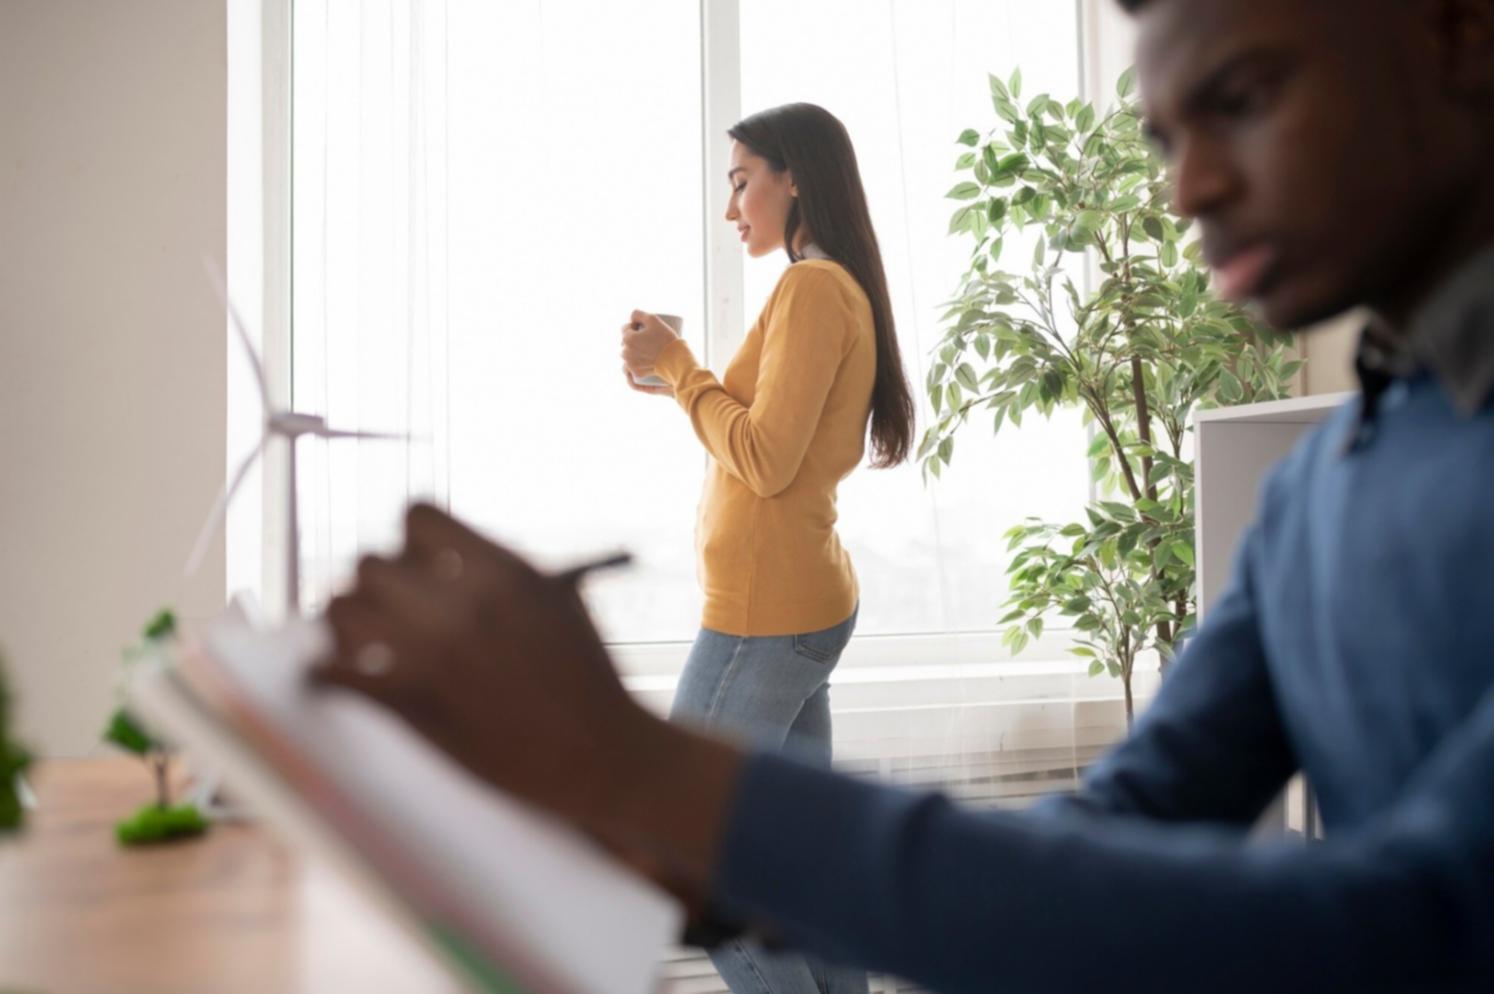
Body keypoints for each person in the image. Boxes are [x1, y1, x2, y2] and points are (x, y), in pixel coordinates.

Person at [310, 1, 1494, 991]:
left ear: (1458, 32)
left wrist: (652, 774)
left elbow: (1410, 922)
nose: (1187, 186)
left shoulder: (820, 293)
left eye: (1240, 97)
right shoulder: (1316, 498)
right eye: (1161, 138)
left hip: (776, 597)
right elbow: (1112, 834)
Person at [613, 102, 914, 993]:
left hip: (762, 621)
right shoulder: (827, 288)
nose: (732, 206)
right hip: (794, 610)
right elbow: (761, 439)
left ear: (794, 177)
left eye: (742, 181)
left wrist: (679, 366)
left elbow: (764, 459)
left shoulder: (813, 289)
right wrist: (680, 379)